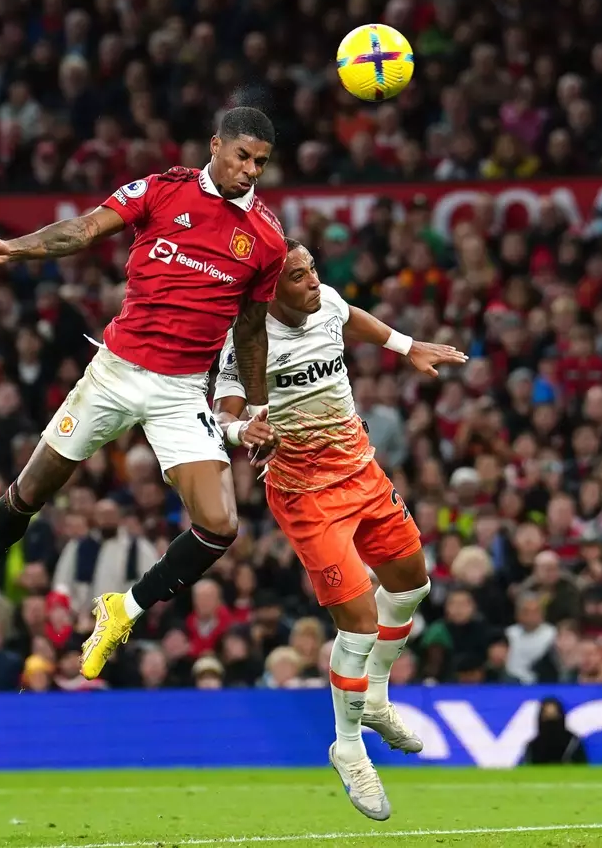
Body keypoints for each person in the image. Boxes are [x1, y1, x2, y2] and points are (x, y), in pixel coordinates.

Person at [0, 107, 289, 680]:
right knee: (29, 492)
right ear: (215, 145)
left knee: (221, 526)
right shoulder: (161, 191)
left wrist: (255, 407)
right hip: (115, 373)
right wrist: (14, 249)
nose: (251, 170)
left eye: (261, 162)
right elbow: (80, 229)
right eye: (242, 156)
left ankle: (122, 609)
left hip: (182, 392)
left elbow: (251, 330)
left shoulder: (265, 239)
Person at [213, 239, 466, 822]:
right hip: (306, 497)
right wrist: (239, 434)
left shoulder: (323, 302)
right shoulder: (247, 341)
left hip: (362, 471)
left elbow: (353, 317)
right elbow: (224, 411)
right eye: (298, 277)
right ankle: (348, 748)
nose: (313, 282)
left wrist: (407, 346)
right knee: (356, 622)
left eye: (312, 271)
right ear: (270, 289)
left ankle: (376, 694)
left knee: (411, 585)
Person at [522, 697, 589, 765]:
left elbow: (583, 767)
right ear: (540, 718)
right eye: (547, 716)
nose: (551, 720)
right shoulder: (533, 746)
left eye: (554, 715)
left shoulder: (573, 742)